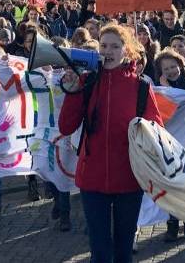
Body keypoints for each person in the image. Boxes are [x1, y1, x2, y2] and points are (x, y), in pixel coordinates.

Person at [59, 24, 163, 263]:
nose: (108, 51)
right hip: (93, 179)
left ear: (125, 51)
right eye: (104, 45)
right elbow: (66, 127)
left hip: (129, 178)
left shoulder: (141, 86)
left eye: (115, 46)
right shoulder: (86, 82)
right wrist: (73, 91)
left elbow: (157, 130)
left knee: (124, 248)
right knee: (100, 249)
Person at [155, 49, 185, 242]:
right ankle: (172, 224)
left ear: (180, 65)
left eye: (174, 66)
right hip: (167, 145)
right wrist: (165, 89)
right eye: (167, 68)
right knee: (171, 185)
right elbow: (163, 115)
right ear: (161, 71)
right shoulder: (158, 89)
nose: (172, 71)